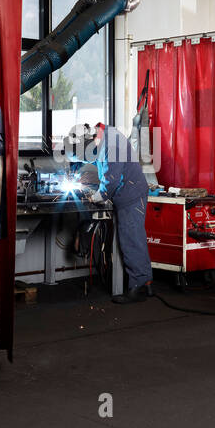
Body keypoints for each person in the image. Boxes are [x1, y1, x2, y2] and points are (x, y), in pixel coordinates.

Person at [64, 122, 153, 304]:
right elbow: (91, 155)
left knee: (131, 241)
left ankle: (139, 287)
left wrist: (97, 196)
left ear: (90, 139)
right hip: (127, 194)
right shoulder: (103, 136)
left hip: (131, 197)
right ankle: (145, 283)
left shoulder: (112, 145)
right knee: (131, 239)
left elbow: (110, 179)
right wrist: (74, 161)